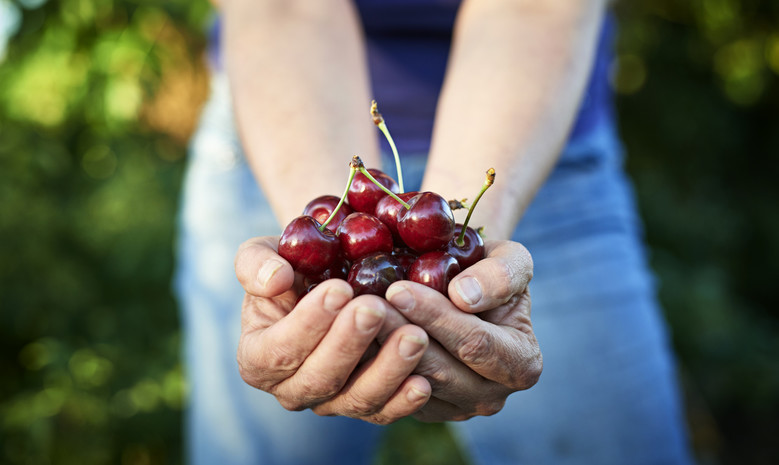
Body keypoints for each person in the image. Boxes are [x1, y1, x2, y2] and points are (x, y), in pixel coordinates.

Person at [174, 0, 696, 463]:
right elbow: (284, 7)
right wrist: (320, 251)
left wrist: (457, 250)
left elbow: (533, 7)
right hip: (286, 131)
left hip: (535, 140)